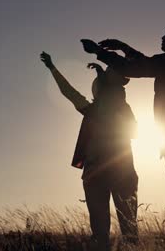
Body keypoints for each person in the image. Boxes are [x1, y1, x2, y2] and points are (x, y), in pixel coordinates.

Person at [81, 22, 165, 250]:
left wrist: (99, 52)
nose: (163, 36)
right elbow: (145, 62)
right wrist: (123, 46)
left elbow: (135, 68)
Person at [39, 51, 138, 250]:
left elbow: (69, 92)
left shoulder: (101, 110)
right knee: (126, 230)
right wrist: (53, 68)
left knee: (110, 232)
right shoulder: (119, 109)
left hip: (101, 173)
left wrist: (52, 68)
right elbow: (70, 92)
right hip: (114, 173)